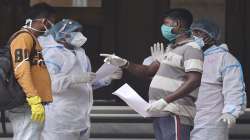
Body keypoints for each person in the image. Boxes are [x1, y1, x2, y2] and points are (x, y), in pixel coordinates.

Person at [101, 8, 203, 140]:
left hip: (175, 112)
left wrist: (165, 100)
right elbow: (148, 71)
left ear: (177, 24)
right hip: (160, 112)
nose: (163, 28)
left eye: (166, 23)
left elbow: (194, 80)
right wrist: (124, 63)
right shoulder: (170, 48)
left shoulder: (191, 48)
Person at [38, 19, 123, 140]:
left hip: (81, 118)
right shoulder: (51, 54)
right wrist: (73, 79)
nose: (80, 35)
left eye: (80, 31)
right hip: (59, 119)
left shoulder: (81, 53)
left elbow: (86, 84)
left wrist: (107, 78)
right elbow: (45, 84)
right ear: (63, 34)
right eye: (75, 32)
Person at [190, 19, 247, 140]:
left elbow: (234, 88)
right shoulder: (190, 56)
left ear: (211, 36)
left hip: (212, 121)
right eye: (193, 32)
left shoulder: (225, 59)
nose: (194, 36)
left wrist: (231, 111)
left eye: (199, 33)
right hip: (187, 117)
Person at [8, 3, 55, 140]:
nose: (52, 27)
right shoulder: (23, 38)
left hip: (30, 103)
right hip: (26, 103)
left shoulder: (32, 39)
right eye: (52, 23)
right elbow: (21, 70)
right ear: (44, 21)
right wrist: (33, 99)